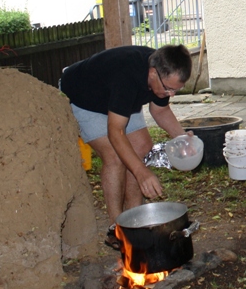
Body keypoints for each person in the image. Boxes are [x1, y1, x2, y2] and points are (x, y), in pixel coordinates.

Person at [60, 44, 192, 250]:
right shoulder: (127, 77)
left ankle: (135, 220)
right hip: (84, 98)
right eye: (168, 89)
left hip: (116, 98)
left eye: (176, 90)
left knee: (142, 147)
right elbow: (116, 132)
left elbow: (161, 111)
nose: (171, 94)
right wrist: (141, 172)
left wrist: (183, 139)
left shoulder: (163, 68)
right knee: (115, 157)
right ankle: (117, 229)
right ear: (152, 73)